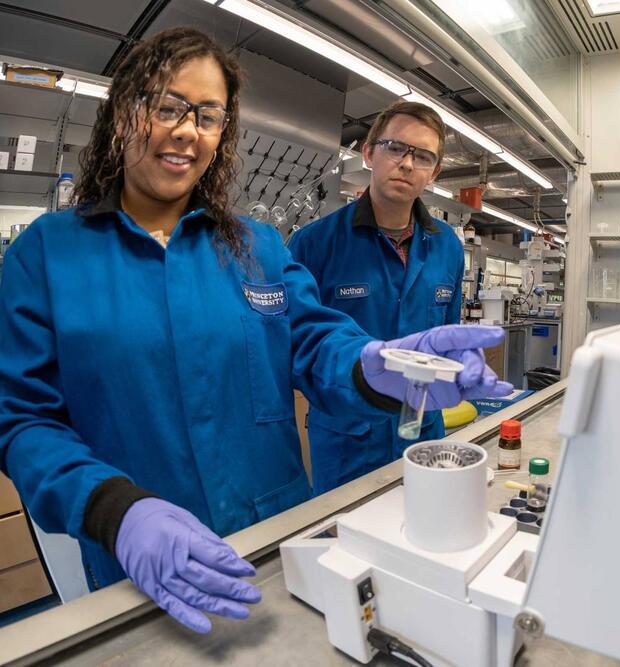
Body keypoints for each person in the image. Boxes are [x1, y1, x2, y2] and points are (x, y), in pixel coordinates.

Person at [0, 27, 507, 634]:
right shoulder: (45, 256)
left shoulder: (257, 248)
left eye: (209, 116)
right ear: (124, 111)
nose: (188, 129)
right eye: (167, 106)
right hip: (143, 567)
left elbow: (315, 339)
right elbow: (21, 419)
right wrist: (113, 510)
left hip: (277, 544)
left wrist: (373, 364)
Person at [288, 101, 503, 494]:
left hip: (424, 431)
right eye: (395, 148)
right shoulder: (314, 243)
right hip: (346, 437)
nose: (407, 163)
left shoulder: (448, 249)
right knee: (344, 543)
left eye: (422, 156)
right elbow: (297, 346)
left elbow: (446, 337)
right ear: (369, 153)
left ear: (434, 172)